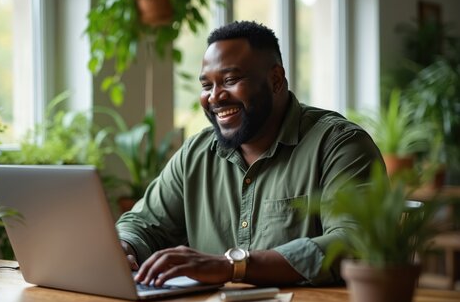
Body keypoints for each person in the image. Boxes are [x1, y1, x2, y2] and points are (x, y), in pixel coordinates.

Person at [115, 21, 383, 287]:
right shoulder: (195, 155)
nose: (215, 97)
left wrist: (233, 266)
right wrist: (124, 247)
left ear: (276, 80)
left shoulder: (340, 144)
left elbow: (354, 241)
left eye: (230, 80)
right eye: (207, 86)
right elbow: (142, 222)